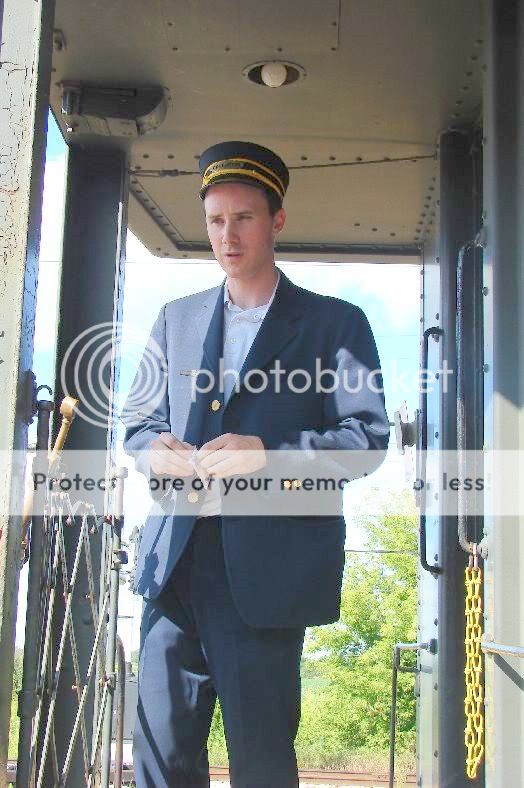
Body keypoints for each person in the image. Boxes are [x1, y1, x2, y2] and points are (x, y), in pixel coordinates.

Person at [122, 140, 390, 787]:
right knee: (158, 755)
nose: (227, 234)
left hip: (266, 575)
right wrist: (153, 449)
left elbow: (368, 440)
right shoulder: (174, 318)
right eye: (216, 220)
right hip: (174, 565)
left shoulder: (334, 324)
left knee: (262, 762)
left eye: (243, 218)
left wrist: (264, 456)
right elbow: (135, 424)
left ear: (277, 222)